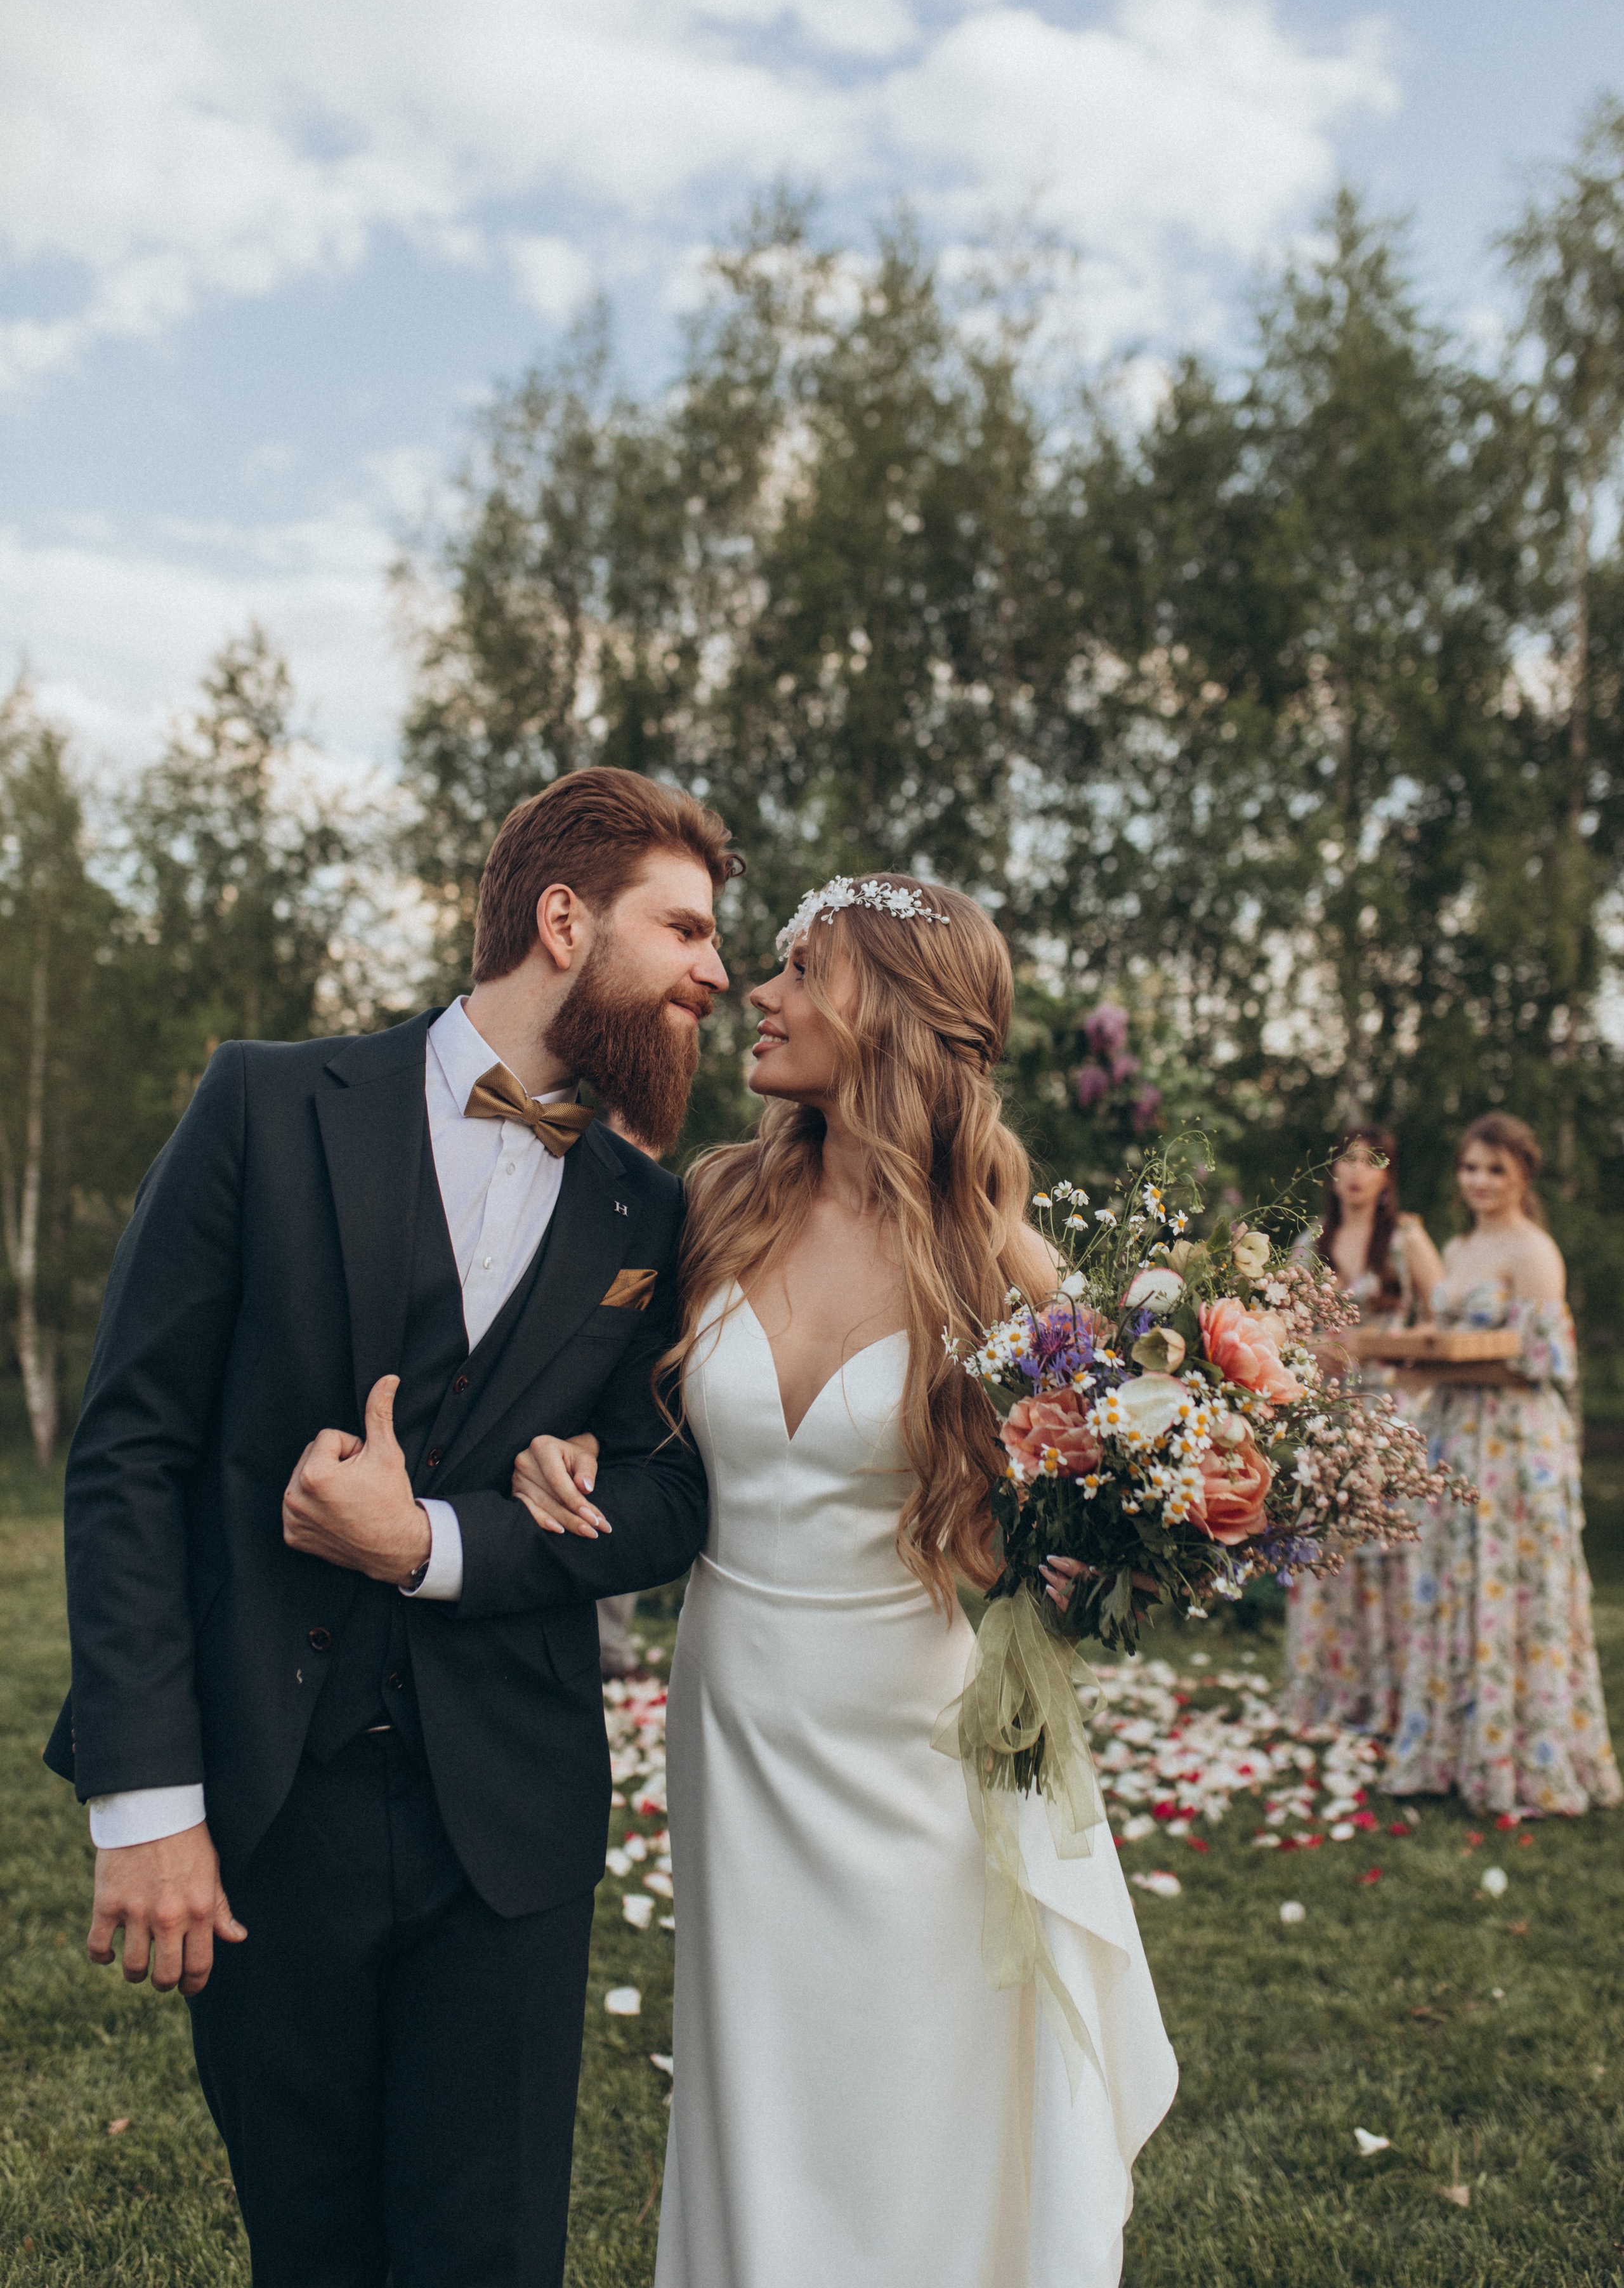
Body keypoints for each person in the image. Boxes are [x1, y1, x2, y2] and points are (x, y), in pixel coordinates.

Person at [44, 767, 738, 2288]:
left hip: (508, 1829)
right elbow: (132, 1452)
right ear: (564, 921)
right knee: (310, 2246)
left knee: (486, 2254)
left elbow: (668, 1489)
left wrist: (433, 1539)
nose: (713, 971)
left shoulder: (652, 1216)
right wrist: (145, 1800)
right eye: (682, 927)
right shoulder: (263, 1101)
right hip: (261, 1810)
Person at [516, 873, 1177, 2288]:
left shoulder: (992, 1258)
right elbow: (631, 1425)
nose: (758, 993)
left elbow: (1107, 1479)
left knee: (922, 2086)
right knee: (756, 2081)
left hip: (922, 1740)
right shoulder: (717, 1204)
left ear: (889, 1012)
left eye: (800, 971)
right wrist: (571, 1439)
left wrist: (1121, 1524)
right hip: (739, 1715)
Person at [1385, 1112, 1621, 1817]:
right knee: (1455, 1583)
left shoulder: (1533, 1251)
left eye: (1495, 1168)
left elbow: (1542, 1365)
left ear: (1522, 1173)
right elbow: (1440, 1335)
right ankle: (1453, 1751)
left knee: (1516, 1586)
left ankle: (1527, 1758)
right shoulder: (1457, 1249)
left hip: (1515, 1442)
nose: (1480, 1181)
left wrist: (1450, 1362)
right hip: (1455, 1436)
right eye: (1470, 1168)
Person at [1280, 1126, 1443, 1733]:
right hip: (1326, 1416)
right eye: (1344, 1162)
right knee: (1327, 1552)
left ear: (1387, 1176)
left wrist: (1412, 1394)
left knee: (1390, 1554)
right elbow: (1285, 1333)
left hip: (1392, 1417)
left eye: (1369, 1163)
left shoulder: (1405, 1242)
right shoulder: (1309, 1244)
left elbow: (1444, 1325)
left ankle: (1395, 1697)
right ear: (1331, 1174)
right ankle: (1329, 1694)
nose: (1355, 1173)